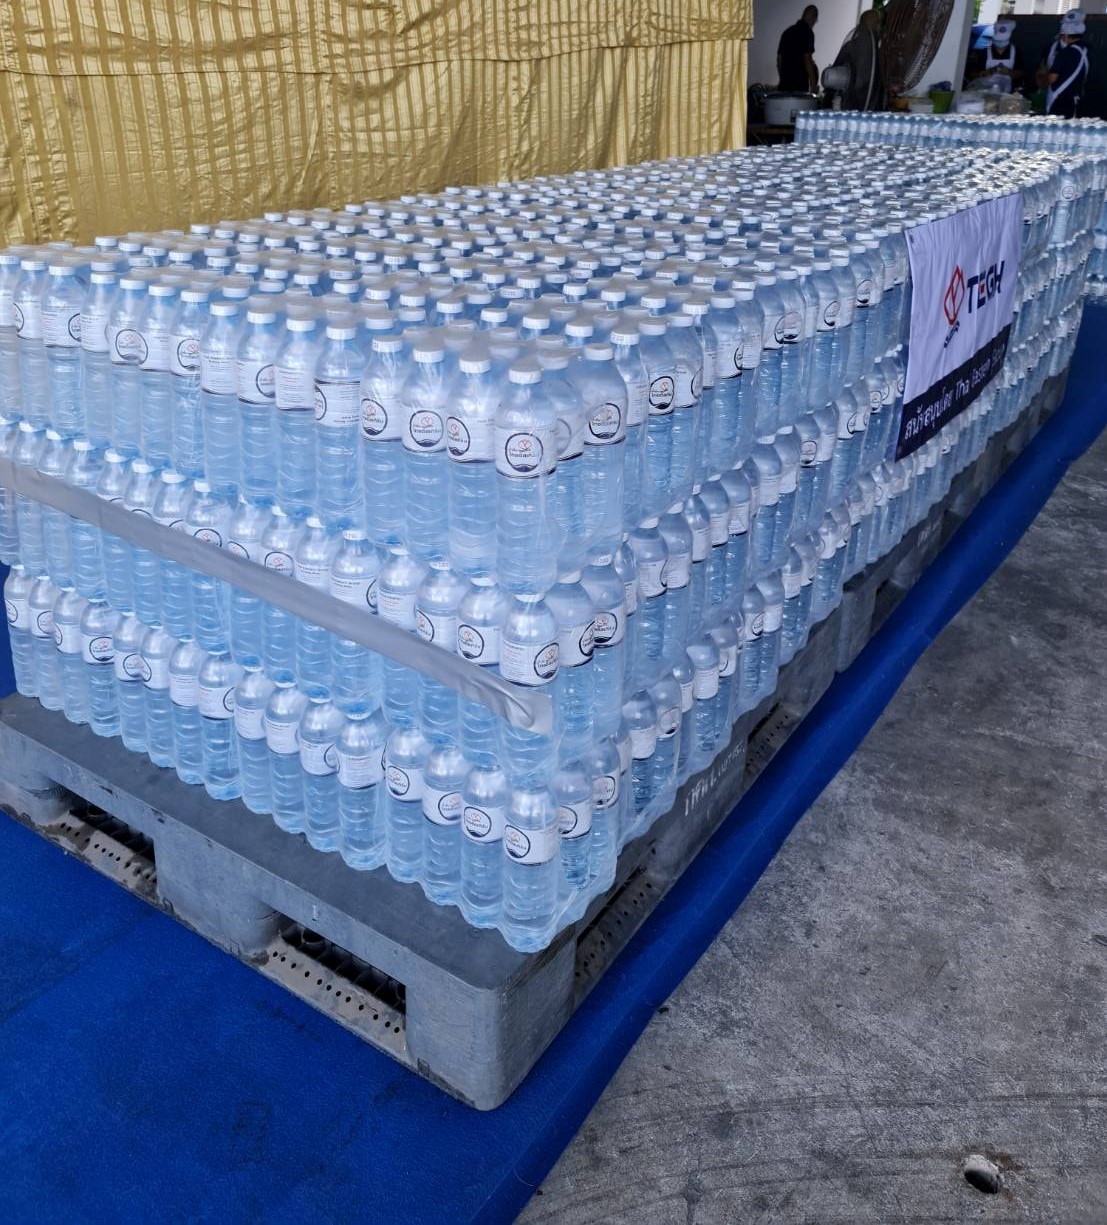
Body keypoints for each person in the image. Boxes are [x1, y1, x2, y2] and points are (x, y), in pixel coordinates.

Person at [833, 10, 883, 111]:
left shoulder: (850, 47)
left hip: (852, 105)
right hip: (862, 105)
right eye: (877, 23)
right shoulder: (874, 52)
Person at [1046, 10, 1089, 118]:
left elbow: (1052, 78)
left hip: (1059, 100)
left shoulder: (1065, 52)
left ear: (1065, 35)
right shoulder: (1086, 51)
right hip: (1075, 98)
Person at [778, 6, 819, 94]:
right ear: (813, 17)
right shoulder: (807, 32)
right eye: (815, 19)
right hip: (799, 86)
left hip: (784, 85)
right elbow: (807, 58)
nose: (815, 22)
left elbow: (779, 59)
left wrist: (783, 78)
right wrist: (813, 85)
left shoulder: (787, 32)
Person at [983, 18, 1017, 92]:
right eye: (998, 40)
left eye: (1003, 40)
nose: (1000, 43)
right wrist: (990, 71)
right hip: (986, 91)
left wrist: (1009, 72)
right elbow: (974, 74)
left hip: (1007, 92)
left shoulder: (1016, 51)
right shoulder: (985, 51)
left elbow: (1021, 73)